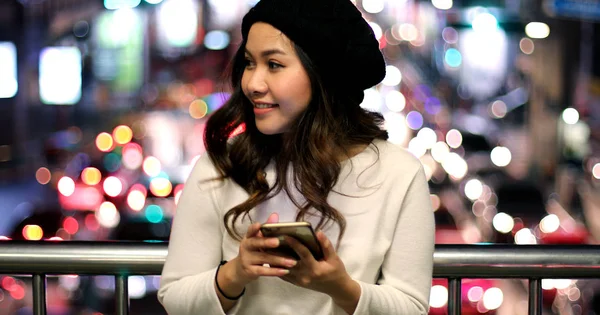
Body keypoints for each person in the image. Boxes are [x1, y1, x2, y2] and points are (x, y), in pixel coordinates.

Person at [158, 0, 435, 314]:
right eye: (249, 62)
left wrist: (341, 288)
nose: (252, 84)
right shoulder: (221, 166)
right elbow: (175, 297)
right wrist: (236, 272)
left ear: (324, 76)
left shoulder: (399, 173)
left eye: (273, 65)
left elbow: (411, 307)